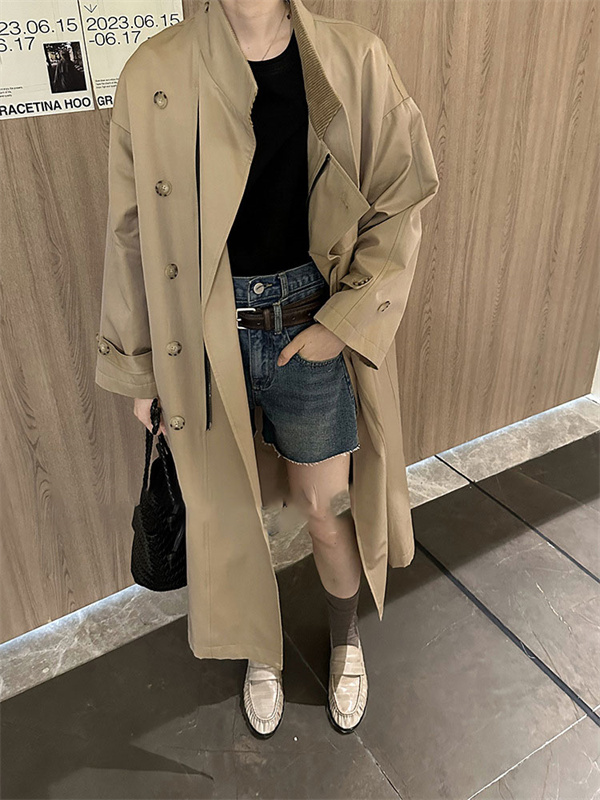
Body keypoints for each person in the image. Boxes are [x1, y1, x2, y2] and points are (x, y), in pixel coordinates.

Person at [97, 0, 439, 740]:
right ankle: (262, 650)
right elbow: (130, 232)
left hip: (307, 326)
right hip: (202, 338)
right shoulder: (154, 71)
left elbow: (401, 197)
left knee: (326, 508)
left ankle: (345, 639)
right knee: (234, 515)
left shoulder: (354, 59)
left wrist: (340, 324)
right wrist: (140, 368)